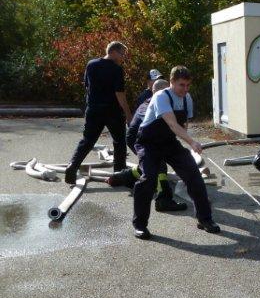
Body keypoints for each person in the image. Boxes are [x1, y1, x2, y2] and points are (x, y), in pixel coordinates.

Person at [132, 65, 219, 239]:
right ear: (171, 82)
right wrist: (192, 142)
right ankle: (140, 225)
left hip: (169, 142)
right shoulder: (161, 96)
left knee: (193, 174)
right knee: (148, 179)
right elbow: (172, 123)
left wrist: (188, 144)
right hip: (148, 143)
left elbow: (182, 126)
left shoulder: (187, 98)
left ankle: (205, 219)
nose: (185, 89)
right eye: (181, 85)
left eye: (188, 85)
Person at [106, 78, 187, 213]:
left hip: (139, 136)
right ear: (161, 92)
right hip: (138, 138)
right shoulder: (154, 105)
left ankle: (121, 177)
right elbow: (153, 129)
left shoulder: (154, 102)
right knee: (158, 164)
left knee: (150, 165)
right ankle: (163, 200)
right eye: (168, 90)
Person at [64, 41, 133, 184]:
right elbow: (119, 93)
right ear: (113, 52)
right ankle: (119, 174)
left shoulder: (91, 64)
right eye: (122, 54)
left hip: (93, 109)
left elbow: (87, 86)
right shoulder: (116, 69)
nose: (123, 57)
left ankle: (72, 166)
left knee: (88, 140)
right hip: (112, 110)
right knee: (119, 141)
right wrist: (128, 114)